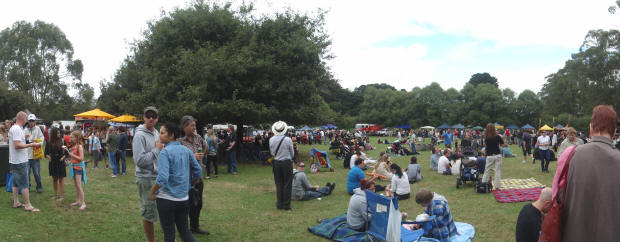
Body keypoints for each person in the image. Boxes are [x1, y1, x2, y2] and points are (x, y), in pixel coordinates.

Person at [563, 105, 620, 242]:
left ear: (591, 128)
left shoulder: (571, 154)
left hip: (574, 234)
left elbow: (559, 195)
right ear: (613, 133)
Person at [149, 123, 202, 242]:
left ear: (171, 135)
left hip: (166, 199)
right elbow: (198, 171)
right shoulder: (186, 150)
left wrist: (152, 191)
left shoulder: (165, 152)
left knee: (169, 234)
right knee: (184, 231)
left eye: (162, 133)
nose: (160, 136)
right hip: (183, 199)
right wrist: (191, 184)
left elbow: (163, 177)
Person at [132, 106, 163, 242]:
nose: (151, 118)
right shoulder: (139, 135)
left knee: (163, 210)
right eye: (148, 115)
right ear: (143, 117)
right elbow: (139, 161)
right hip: (146, 179)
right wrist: (156, 151)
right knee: (148, 212)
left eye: (154, 116)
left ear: (157, 118)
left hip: (158, 178)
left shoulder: (157, 132)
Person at [177, 116, 209, 235]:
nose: (194, 127)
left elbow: (206, 146)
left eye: (195, 125)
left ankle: (195, 227)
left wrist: (202, 155)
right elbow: (177, 158)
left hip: (197, 177)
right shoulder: (179, 141)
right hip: (186, 179)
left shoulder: (198, 137)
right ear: (185, 126)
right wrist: (191, 157)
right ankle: (184, 229)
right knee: (185, 205)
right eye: (192, 125)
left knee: (198, 204)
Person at [8, 111, 42, 212]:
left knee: (15, 182)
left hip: (14, 160)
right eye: (26, 119)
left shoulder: (13, 128)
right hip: (20, 161)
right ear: (22, 119)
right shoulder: (17, 129)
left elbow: (17, 142)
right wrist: (31, 145)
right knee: (24, 183)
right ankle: (28, 205)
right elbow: (17, 145)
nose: (26, 121)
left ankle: (16, 202)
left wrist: (26, 139)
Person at [269, 121, 295, 210]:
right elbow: (292, 153)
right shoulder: (288, 140)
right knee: (287, 183)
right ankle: (286, 205)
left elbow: (272, 153)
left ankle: (279, 204)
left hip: (276, 163)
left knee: (278, 183)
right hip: (286, 163)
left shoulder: (271, 139)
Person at [64, 130, 87, 210]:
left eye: (72, 137)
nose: (71, 138)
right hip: (74, 167)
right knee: (76, 185)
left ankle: (83, 203)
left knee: (79, 186)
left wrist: (71, 155)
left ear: (76, 138)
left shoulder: (79, 146)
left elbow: (81, 158)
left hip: (78, 167)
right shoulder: (74, 146)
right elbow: (73, 156)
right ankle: (78, 201)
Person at [45, 127, 67, 201]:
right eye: (57, 133)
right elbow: (46, 154)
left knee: (61, 179)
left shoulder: (63, 141)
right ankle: (55, 195)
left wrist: (63, 157)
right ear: (54, 133)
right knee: (54, 179)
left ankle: (61, 196)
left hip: (60, 162)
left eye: (59, 132)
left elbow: (67, 153)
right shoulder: (49, 142)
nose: (59, 134)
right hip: (53, 162)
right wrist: (50, 158)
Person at [481, 123, 505, 189]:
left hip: (489, 155)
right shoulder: (497, 136)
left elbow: (485, 146)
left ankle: (483, 184)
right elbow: (503, 145)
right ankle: (497, 186)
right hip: (497, 155)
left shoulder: (486, 137)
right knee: (497, 171)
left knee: (487, 171)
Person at [24, 114, 44, 193]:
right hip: (26, 156)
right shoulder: (25, 130)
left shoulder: (38, 129)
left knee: (37, 173)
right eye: (30, 121)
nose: (31, 122)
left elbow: (42, 139)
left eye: (33, 121)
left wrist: (37, 142)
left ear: (35, 121)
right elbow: (22, 140)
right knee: (27, 173)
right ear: (28, 121)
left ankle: (39, 187)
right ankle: (27, 187)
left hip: (35, 156)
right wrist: (25, 138)